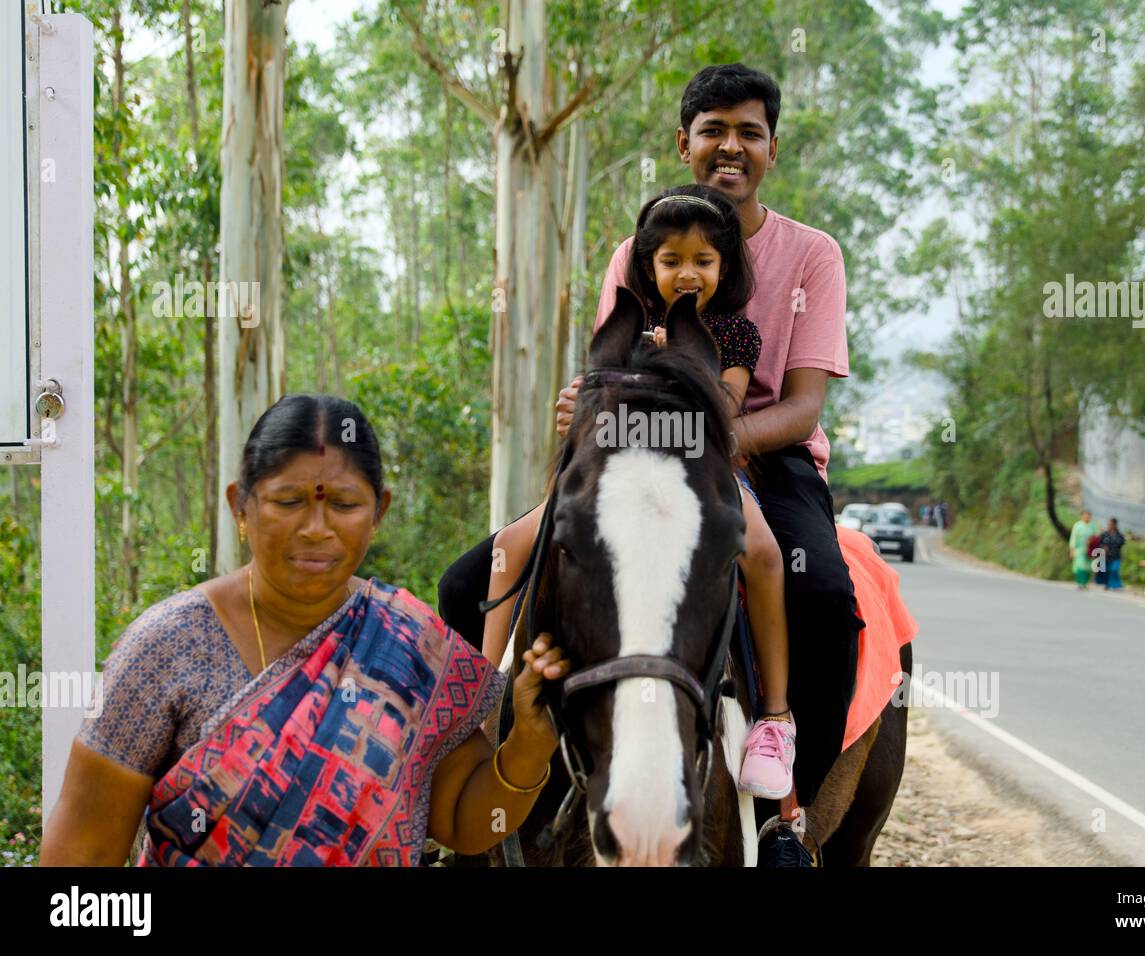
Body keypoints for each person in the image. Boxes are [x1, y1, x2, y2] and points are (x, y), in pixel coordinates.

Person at [41, 395, 570, 866]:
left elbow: (463, 822)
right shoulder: (166, 649)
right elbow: (80, 861)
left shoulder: (411, 648)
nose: (317, 529)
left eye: (343, 504)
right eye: (288, 502)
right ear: (240, 506)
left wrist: (527, 742)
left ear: (378, 510)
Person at [560, 64, 862, 815]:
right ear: (684, 144)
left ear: (773, 149)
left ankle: (795, 803)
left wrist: (715, 440)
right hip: (639, 444)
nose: (731, 147)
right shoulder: (637, 251)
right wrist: (585, 407)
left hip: (769, 458)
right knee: (490, 573)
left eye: (749, 134)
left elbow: (801, 407)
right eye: (713, 132)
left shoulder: (813, 254)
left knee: (823, 594)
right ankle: (520, 777)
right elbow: (612, 368)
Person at [484, 184, 797, 799]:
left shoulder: (733, 338)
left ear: (724, 268)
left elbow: (721, 416)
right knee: (510, 544)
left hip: (703, 469)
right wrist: (578, 406)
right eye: (671, 260)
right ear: (647, 265)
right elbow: (594, 405)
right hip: (617, 467)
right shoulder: (628, 329)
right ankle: (478, 697)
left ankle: (776, 718)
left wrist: (670, 369)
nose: (687, 274)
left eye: (703, 261)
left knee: (762, 553)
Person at [1069, 510, 1098, 589]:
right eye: (1085, 515)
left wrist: (1091, 542)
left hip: (1089, 550)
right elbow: (1073, 538)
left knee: (1088, 567)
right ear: (1082, 516)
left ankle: (1085, 583)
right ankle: (1080, 582)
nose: (1087, 517)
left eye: (1088, 516)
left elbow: (1097, 538)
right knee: (1079, 566)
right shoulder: (1077, 525)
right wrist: (1072, 550)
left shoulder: (1093, 526)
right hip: (1079, 549)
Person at [1099, 518, 1126, 591]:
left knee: (1114, 570)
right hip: (1106, 557)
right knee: (1107, 571)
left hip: (1116, 556)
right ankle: (1107, 585)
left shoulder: (1119, 535)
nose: (1109, 526)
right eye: (1108, 524)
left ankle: (1115, 585)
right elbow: (1099, 543)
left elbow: (1122, 544)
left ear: (1114, 525)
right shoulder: (1104, 534)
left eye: (1111, 524)